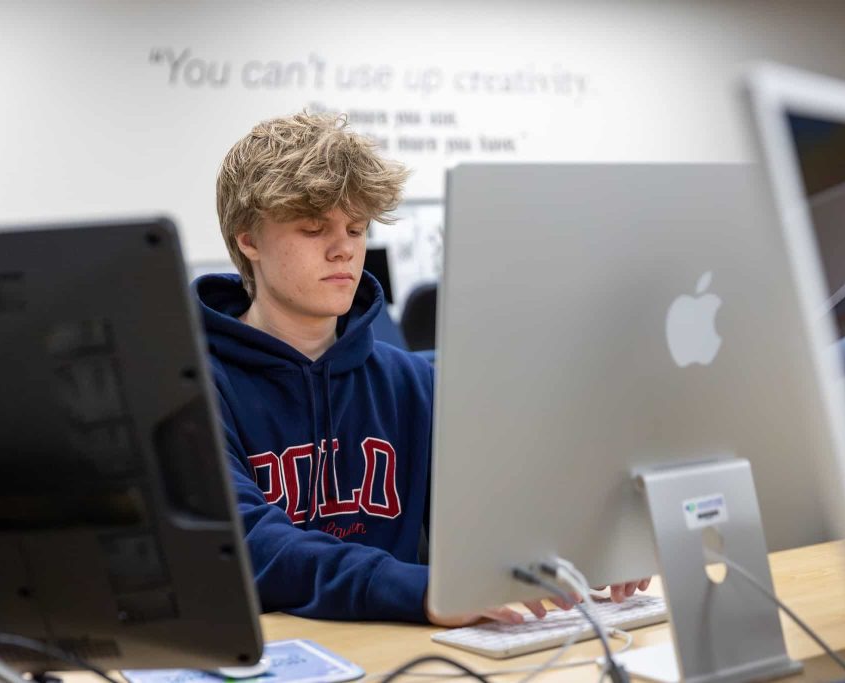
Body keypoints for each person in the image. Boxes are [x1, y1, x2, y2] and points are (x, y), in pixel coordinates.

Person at [193, 111, 648, 624]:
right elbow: (247, 545)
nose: (344, 248)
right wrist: (415, 589)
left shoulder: (412, 383)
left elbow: (494, 516)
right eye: (313, 228)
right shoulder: (194, 389)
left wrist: (588, 552)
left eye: (356, 228)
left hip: (397, 652)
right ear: (248, 240)